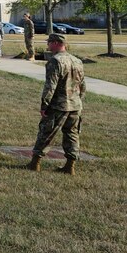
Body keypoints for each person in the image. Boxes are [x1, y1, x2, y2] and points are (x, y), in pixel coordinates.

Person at [27, 34, 86, 174]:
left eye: (49, 42)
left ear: (55, 43)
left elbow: (50, 86)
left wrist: (44, 105)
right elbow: (82, 85)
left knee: (46, 133)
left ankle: (35, 163)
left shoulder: (55, 61)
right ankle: (70, 166)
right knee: (72, 134)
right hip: (75, 105)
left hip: (58, 105)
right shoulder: (77, 60)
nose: (48, 45)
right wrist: (79, 99)